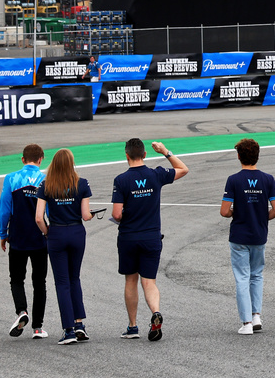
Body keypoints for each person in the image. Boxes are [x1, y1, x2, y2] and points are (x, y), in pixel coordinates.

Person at [111, 137, 188, 341]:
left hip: (129, 236)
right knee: (149, 281)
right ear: (144, 155)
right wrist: (165, 151)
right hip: (151, 236)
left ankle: (132, 326)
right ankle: (155, 311)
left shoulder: (121, 180)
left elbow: (117, 214)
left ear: (126, 155)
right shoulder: (156, 174)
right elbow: (183, 169)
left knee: (131, 280)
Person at [220, 138, 275, 334]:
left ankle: (246, 323)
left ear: (239, 156)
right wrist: (262, 219)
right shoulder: (268, 179)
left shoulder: (234, 179)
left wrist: (235, 214)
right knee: (256, 275)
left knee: (242, 277)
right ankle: (256, 316)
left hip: (239, 235)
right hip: (259, 234)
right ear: (257, 156)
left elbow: (224, 211)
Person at [35, 148, 94, 344]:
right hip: (77, 232)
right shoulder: (82, 183)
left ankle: (68, 330)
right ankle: (79, 324)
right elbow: (86, 215)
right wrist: (92, 214)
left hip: (57, 233)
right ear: (71, 164)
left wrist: (46, 231)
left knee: (62, 282)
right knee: (74, 278)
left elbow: (38, 217)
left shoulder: (46, 185)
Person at [0, 143, 49, 339]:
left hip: (17, 236)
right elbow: (49, 210)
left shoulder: (11, 178)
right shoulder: (45, 179)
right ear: (40, 160)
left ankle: (22, 311)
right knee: (40, 282)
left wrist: (3, 233)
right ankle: (37, 327)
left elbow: (4, 208)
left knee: (17, 279)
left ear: (22, 160)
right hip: (39, 236)